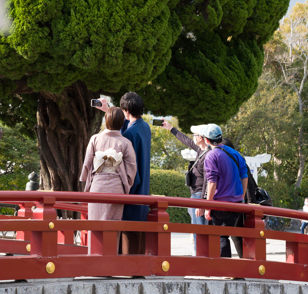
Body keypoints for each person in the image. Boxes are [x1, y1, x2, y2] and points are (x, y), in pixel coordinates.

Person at [100, 92, 152, 255]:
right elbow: (126, 128)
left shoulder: (129, 134)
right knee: (137, 236)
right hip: (142, 191)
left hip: (131, 191)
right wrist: (108, 111)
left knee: (127, 235)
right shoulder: (144, 127)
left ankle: (128, 269)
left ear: (126, 109)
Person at [80, 107, 138, 225]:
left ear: (105, 120)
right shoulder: (125, 142)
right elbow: (132, 168)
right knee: (113, 226)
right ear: (122, 122)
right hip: (116, 188)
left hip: (97, 185)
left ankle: (94, 244)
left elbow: (87, 163)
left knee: (94, 225)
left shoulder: (95, 138)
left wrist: (85, 181)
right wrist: (126, 184)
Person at [161, 121, 211, 248]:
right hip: (195, 194)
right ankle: (198, 256)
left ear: (200, 137)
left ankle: (200, 258)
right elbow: (186, 140)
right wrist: (171, 128)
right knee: (196, 230)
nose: (193, 137)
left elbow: (207, 180)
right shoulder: (201, 149)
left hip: (199, 196)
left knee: (200, 231)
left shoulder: (208, 156)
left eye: (195, 135)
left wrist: (202, 202)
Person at [198, 124, 244, 258]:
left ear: (206, 140)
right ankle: (227, 268)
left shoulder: (211, 155)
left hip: (220, 203)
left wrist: (208, 206)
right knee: (224, 235)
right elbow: (244, 175)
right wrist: (241, 196)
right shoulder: (234, 153)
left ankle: (225, 268)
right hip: (236, 203)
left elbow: (212, 182)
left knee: (220, 236)